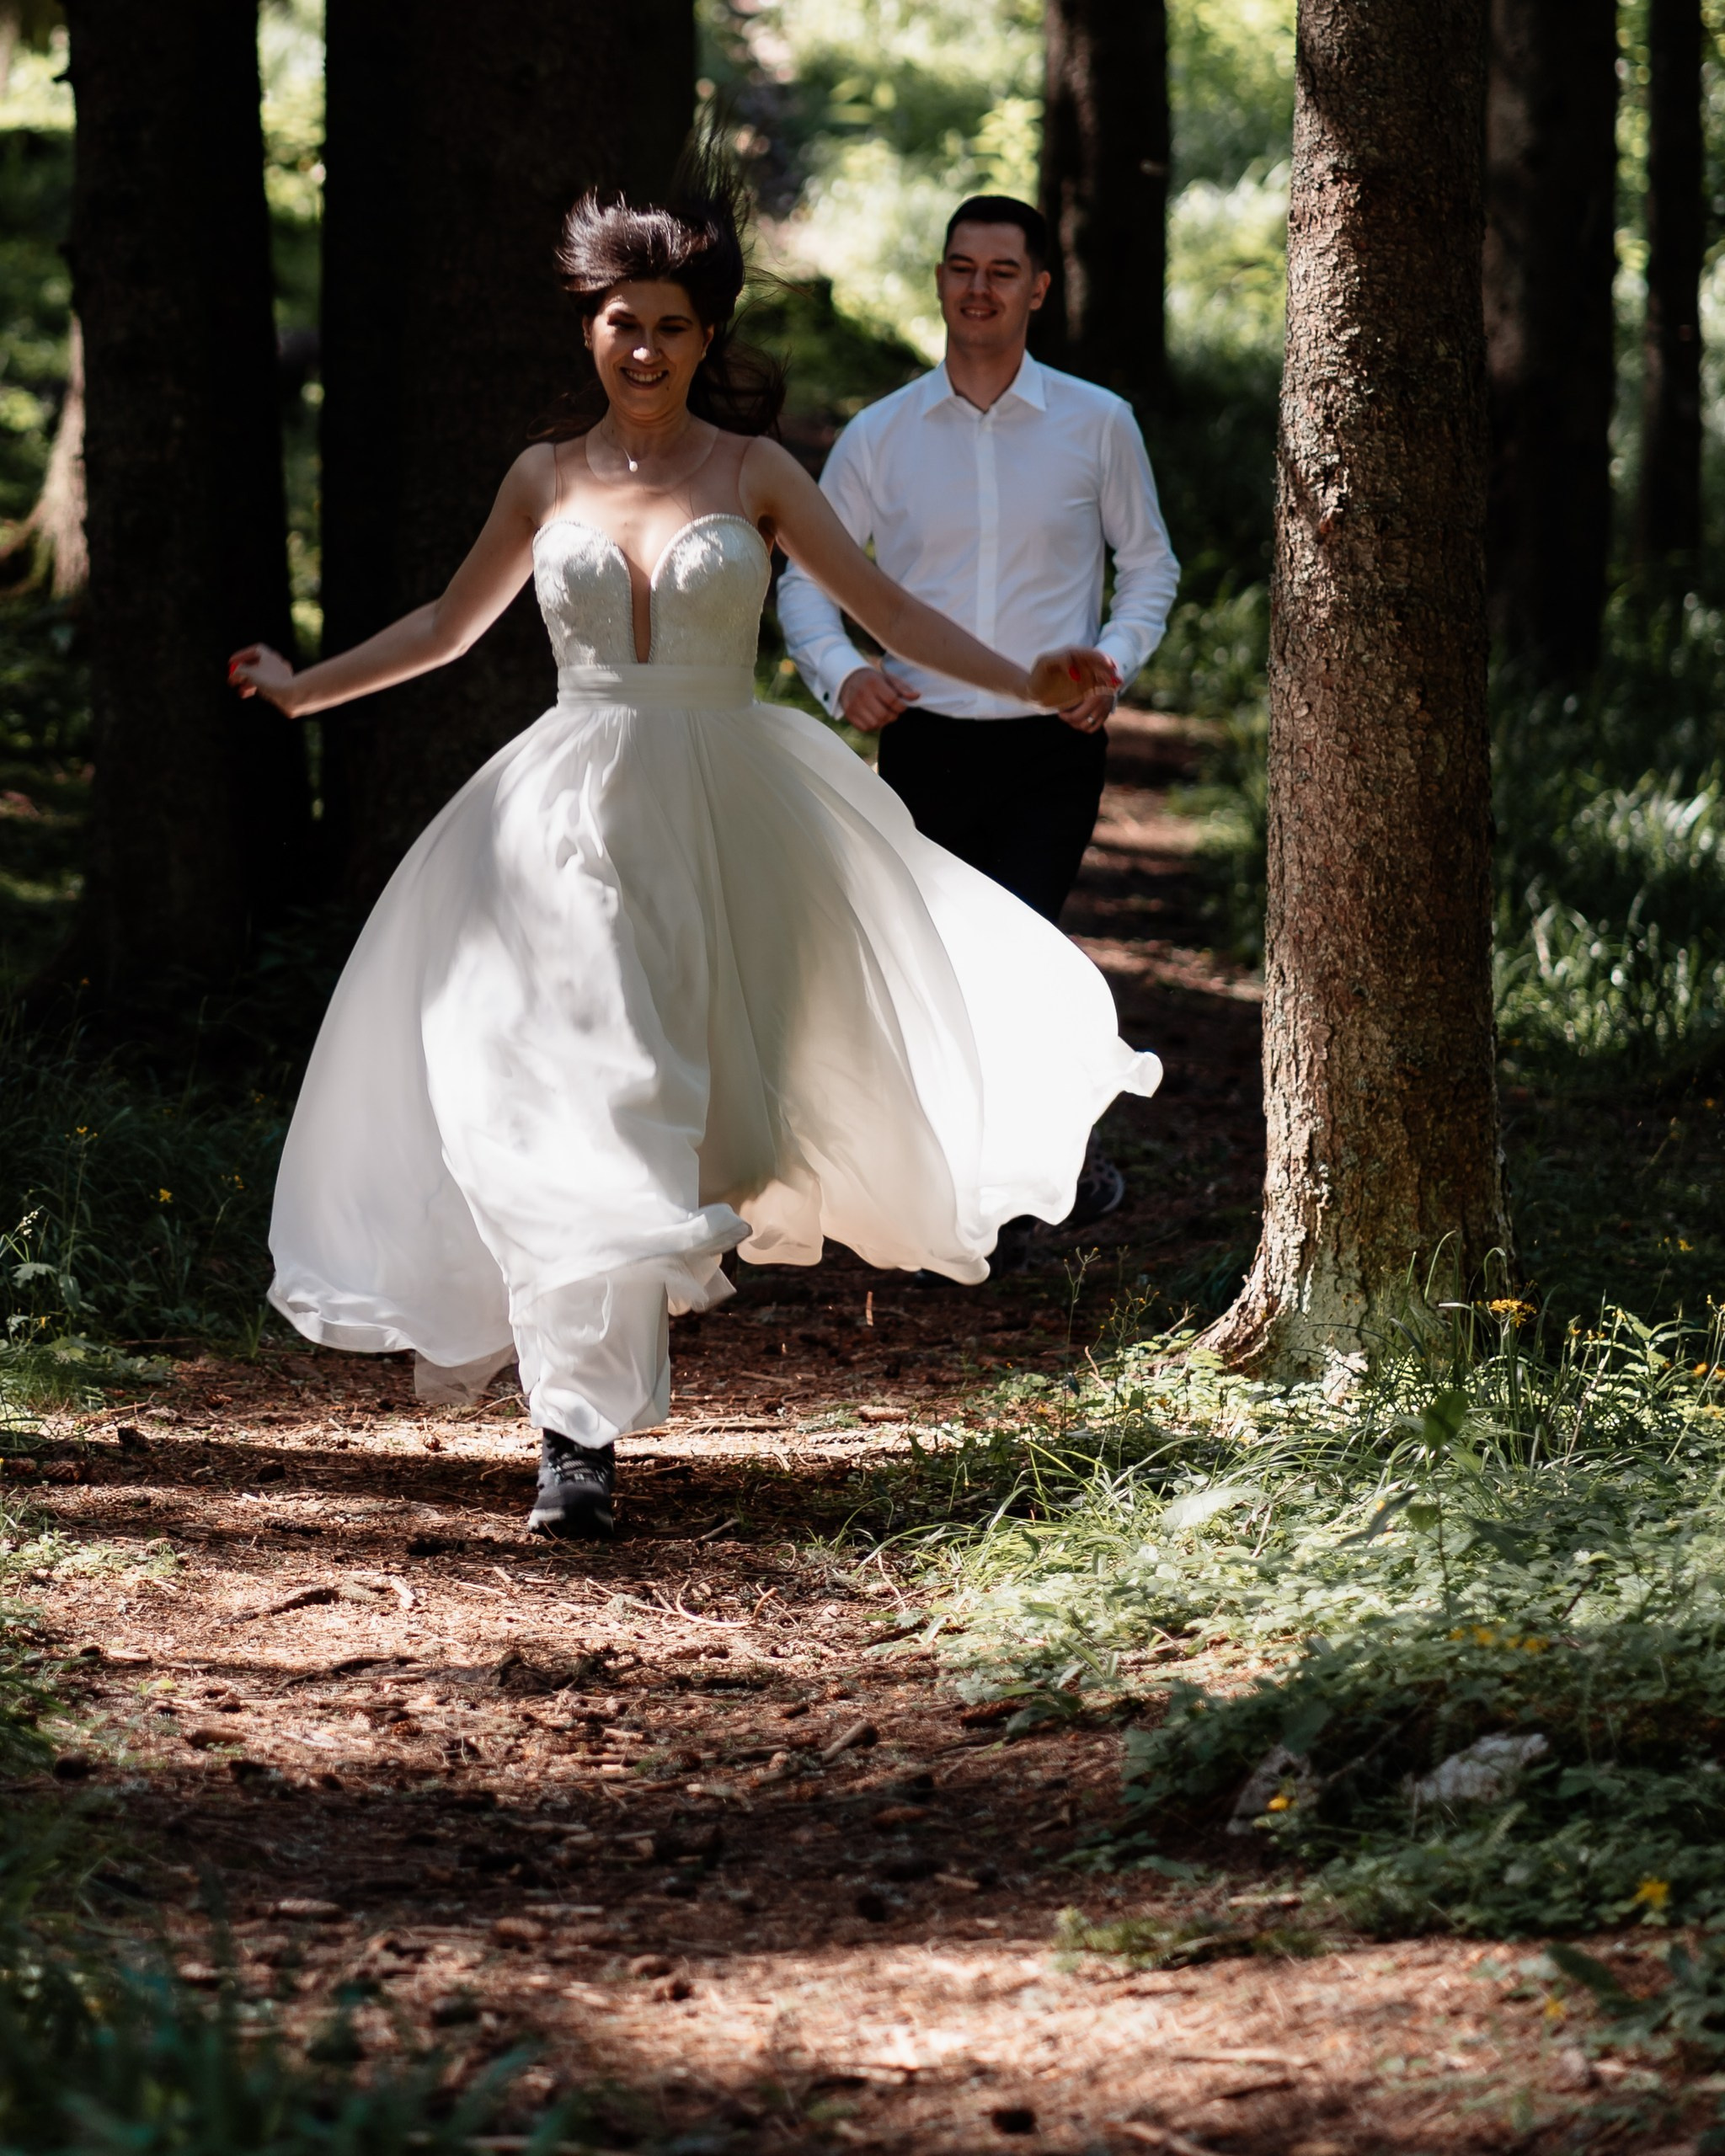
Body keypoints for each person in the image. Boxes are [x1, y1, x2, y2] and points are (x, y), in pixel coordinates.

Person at [228, 151, 1162, 1543]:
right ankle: (576, 1442)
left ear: (703, 338)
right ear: (588, 331)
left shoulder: (759, 471)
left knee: (701, 1101)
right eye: (621, 323)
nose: (645, 347)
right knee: (576, 1097)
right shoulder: (541, 478)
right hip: (563, 823)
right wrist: (305, 689)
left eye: (670, 325)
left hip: (728, 807)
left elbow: (891, 613)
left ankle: (617, 1372)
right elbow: (443, 627)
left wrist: (1031, 681)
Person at [777, 194, 1178, 1229]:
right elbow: (801, 583)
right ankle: (972, 1191)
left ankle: (1032, 1180)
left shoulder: (1098, 424)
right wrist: (840, 673)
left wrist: (1113, 665)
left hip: (1052, 743)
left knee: (1027, 949)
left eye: (1002, 271)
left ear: (1038, 288)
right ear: (941, 279)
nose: (978, 288)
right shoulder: (879, 435)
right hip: (924, 739)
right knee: (940, 967)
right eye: (960, 267)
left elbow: (1148, 568)